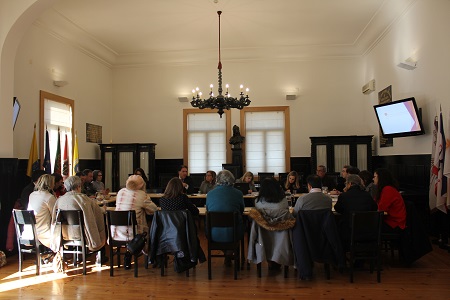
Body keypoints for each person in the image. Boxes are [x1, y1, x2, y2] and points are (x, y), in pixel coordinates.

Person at [52, 176, 107, 261]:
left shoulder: (60, 200)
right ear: (78, 186)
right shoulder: (82, 199)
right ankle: (100, 257)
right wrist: (103, 209)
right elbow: (97, 211)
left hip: (64, 233)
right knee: (101, 224)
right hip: (81, 233)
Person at [253, 177, 295, 269]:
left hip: (263, 237)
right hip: (282, 236)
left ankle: (269, 259)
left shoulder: (257, 202)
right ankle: (278, 258)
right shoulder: (283, 201)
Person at [206, 170, 245, 266]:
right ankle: (229, 253)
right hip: (234, 233)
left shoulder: (210, 194)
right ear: (232, 180)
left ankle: (227, 253)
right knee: (238, 225)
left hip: (213, 234)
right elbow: (241, 210)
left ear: (217, 180)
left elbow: (208, 209)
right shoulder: (238, 193)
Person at [334, 174, 378, 249]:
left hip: (349, 232)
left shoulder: (344, 196)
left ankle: (341, 254)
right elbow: (375, 208)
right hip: (368, 231)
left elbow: (337, 208)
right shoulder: (367, 195)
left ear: (350, 184)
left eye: (346, 183)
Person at [114, 175, 157, 242]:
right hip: (134, 234)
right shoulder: (142, 195)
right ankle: (146, 248)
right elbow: (154, 210)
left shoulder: (120, 192)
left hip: (116, 233)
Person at [26, 174, 57, 248]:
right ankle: (60, 254)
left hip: (29, 230)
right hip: (43, 232)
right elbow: (55, 215)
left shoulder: (32, 194)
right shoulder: (49, 197)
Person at [373, 168, 406, 234]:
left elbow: (382, 208)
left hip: (394, 223)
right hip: (388, 220)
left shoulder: (388, 189)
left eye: (374, 177)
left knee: (368, 227)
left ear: (381, 178)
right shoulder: (384, 189)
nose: (373, 179)